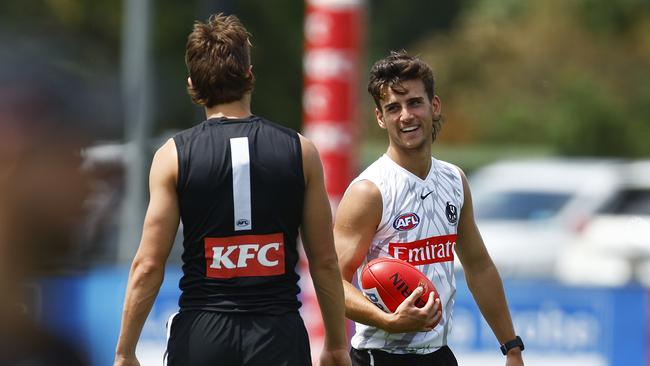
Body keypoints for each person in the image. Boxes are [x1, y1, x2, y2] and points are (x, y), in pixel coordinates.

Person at [114, 13, 351, 366]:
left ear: (192, 84)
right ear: (249, 76)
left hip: (202, 334)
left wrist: (125, 351)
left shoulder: (172, 156)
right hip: (278, 334)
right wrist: (335, 345)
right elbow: (325, 262)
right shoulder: (301, 151)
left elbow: (148, 265)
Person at [334, 51, 525, 366]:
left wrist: (511, 346)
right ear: (380, 118)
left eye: (414, 103)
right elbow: (331, 281)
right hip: (380, 357)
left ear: (434, 106)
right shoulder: (370, 191)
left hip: (439, 356)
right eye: (393, 108)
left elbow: (479, 267)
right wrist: (387, 321)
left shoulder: (454, 179)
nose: (406, 116)